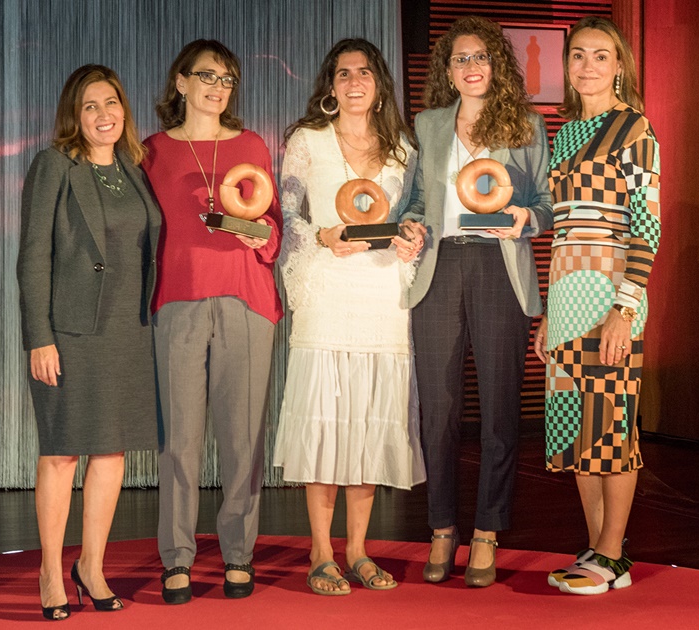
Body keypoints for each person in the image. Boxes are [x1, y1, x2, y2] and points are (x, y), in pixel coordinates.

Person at [400, 16, 552, 588]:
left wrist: (525, 219)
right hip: (439, 268)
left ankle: (487, 529)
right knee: (437, 409)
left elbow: (547, 203)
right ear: (447, 70)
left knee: (499, 407)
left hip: (498, 267)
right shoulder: (429, 124)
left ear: (497, 65)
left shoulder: (527, 124)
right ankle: (442, 527)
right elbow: (416, 200)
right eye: (460, 59)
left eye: (480, 57)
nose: (470, 68)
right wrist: (411, 227)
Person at [272, 38, 426, 596]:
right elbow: (285, 216)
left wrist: (413, 236)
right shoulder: (306, 140)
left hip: (382, 295)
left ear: (379, 83)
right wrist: (320, 235)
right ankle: (320, 552)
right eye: (343, 74)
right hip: (328, 292)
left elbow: (413, 215)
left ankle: (358, 550)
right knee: (325, 425)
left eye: (364, 72)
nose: (354, 82)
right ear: (330, 86)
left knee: (367, 421)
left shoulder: (404, 148)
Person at [17, 64, 161, 620]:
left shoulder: (135, 167)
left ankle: (92, 565)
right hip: (71, 332)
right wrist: (39, 337)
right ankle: (51, 571)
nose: (104, 115)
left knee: (112, 452)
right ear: (74, 117)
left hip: (129, 329)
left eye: (112, 103)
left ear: (124, 109)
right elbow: (33, 257)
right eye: (90, 107)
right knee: (60, 453)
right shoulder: (55, 165)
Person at [143, 39, 282, 604]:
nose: (217, 87)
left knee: (243, 439)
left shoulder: (251, 145)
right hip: (176, 300)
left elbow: (273, 229)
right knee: (178, 440)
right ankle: (176, 557)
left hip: (247, 299)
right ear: (180, 82)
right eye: (206, 76)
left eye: (227, 79)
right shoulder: (151, 151)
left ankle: (238, 555)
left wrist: (251, 230)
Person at [533, 16, 660, 595]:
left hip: (611, 296)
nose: (588, 65)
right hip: (565, 298)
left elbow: (647, 227)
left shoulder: (633, 128)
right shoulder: (560, 134)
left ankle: (613, 554)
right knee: (573, 430)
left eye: (601, 56)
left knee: (610, 425)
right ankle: (597, 548)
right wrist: (547, 312)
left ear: (619, 66)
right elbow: (558, 232)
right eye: (578, 55)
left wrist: (624, 309)